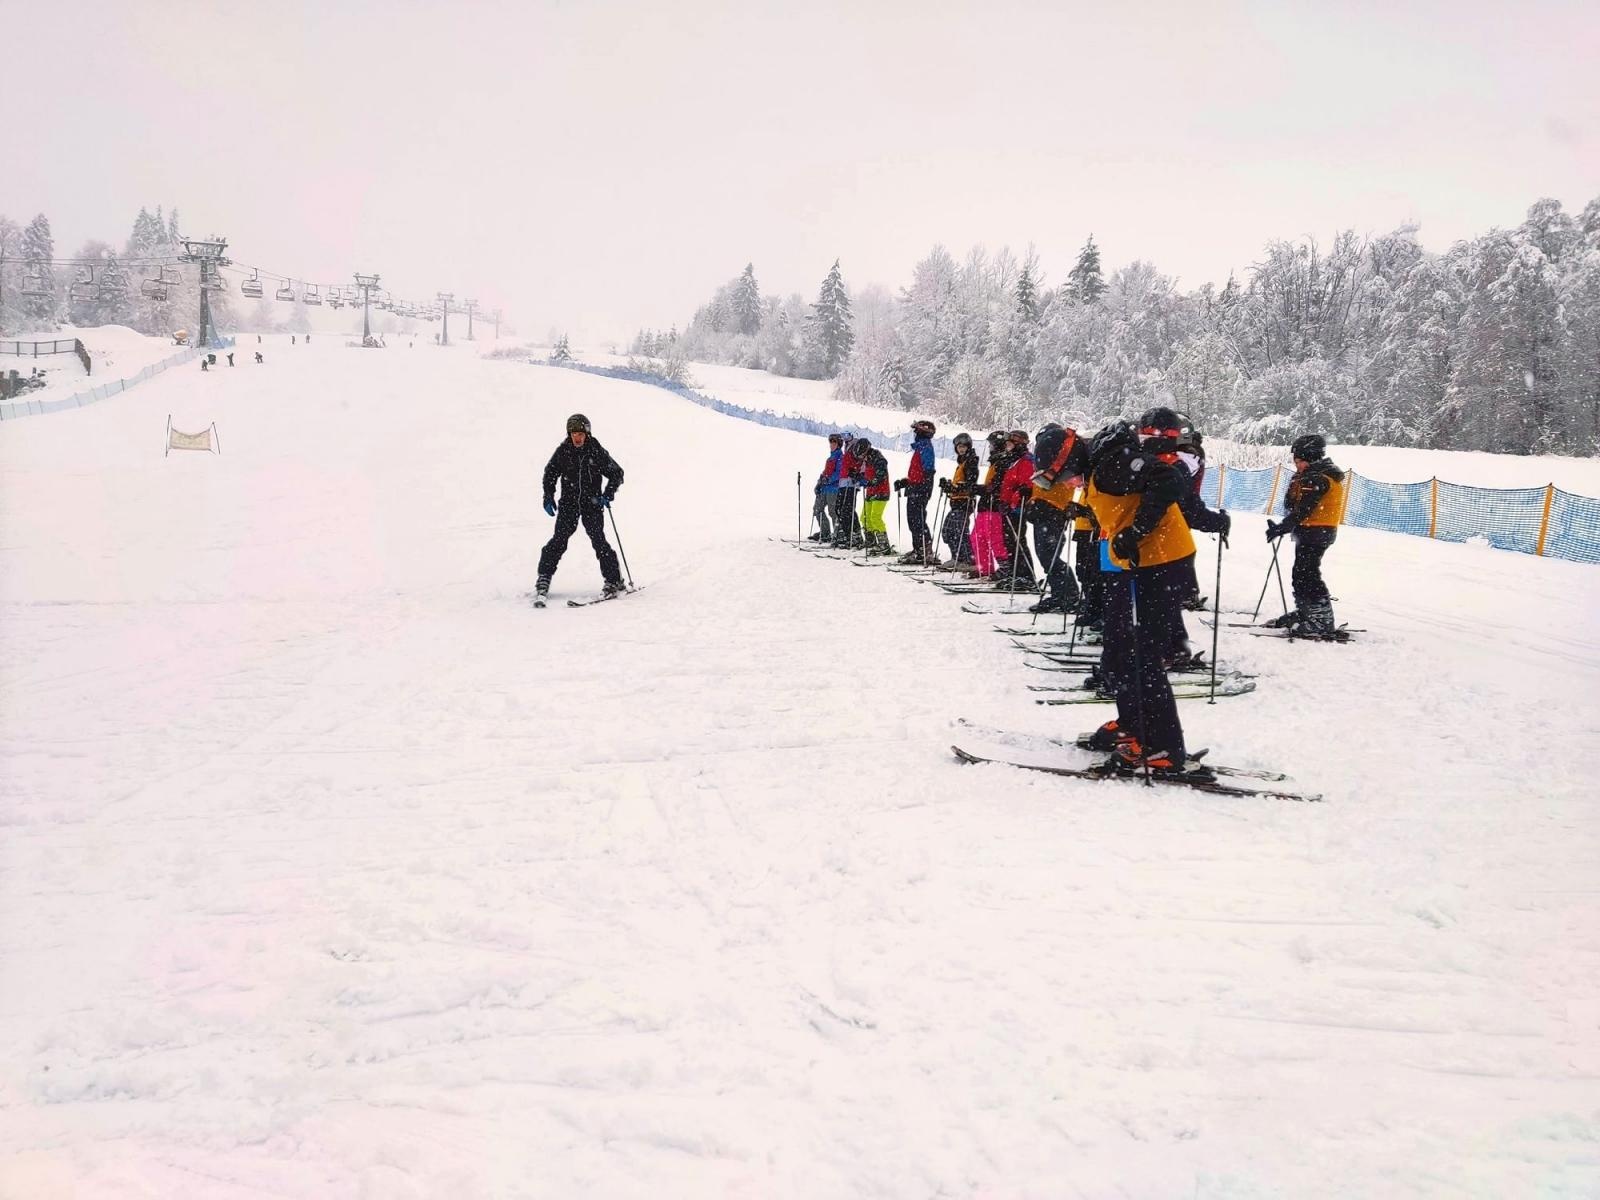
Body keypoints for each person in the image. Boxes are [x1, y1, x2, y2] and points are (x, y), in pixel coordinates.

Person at [1080, 412, 1209, 777]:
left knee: (1142, 657)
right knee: (1122, 649)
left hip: (1162, 562)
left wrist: (1135, 531)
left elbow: (1170, 484)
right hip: (1138, 563)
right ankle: (1134, 726)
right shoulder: (1101, 468)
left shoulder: (1115, 463)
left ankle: (1163, 746)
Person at [536, 413, 625, 602]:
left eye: (580, 433)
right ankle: (544, 577)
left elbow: (616, 473)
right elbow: (550, 472)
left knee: (599, 542)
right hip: (568, 505)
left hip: (592, 505)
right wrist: (548, 495)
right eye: (573, 433)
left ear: (587, 434)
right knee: (558, 540)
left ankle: (614, 581)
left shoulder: (595, 451)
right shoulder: (563, 451)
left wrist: (608, 494)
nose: (577, 437)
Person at [1266, 434, 1346, 636]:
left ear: (1310, 457)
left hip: (1317, 531)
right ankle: (1308, 612)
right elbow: (1296, 505)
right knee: (1301, 573)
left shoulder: (1319, 477)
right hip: (1314, 531)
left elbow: (1304, 509)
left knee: (1307, 574)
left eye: (1300, 461)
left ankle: (1321, 620)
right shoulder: (1317, 474)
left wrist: (1282, 527)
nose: (1297, 465)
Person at [1027, 423, 1089, 613]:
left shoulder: (1063, 463)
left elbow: (1062, 487)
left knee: (1049, 554)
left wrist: (1048, 506)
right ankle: (1059, 592)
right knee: (1044, 554)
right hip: (1044, 510)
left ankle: (1067, 593)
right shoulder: (1048, 463)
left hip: (1054, 511)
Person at [995, 430, 1037, 589]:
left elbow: (1025, 486)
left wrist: (1012, 502)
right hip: (1008, 507)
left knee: (1017, 541)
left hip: (1017, 508)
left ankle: (1026, 576)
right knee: (1010, 542)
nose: (1007, 447)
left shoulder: (1025, 461)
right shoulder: (1014, 460)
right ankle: (1015, 573)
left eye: (1010, 443)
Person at [893, 419, 938, 565]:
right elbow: (917, 472)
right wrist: (906, 481)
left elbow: (928, 470)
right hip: (915, 488)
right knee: (913, 520)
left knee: (918, 520)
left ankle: (925, 550)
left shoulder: (925, 447)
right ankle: (918, 548)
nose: (914, 434)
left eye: (916, 431)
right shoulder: (920, 448)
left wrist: (923, 486)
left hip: (920, 489)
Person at [971, 431, 1010, 576]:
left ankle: (1005, 567)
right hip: (985, 505)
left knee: (995, 539)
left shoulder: (1003, 462)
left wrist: (981, 489)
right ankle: (984, 567)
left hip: (994, 506)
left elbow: (996, 485)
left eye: (992, 445)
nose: (990, 447)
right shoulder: (995, 462)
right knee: (977, 537)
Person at [938, 432, 979, 567]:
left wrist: (955, 488)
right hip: (956, 502)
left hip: (965, 502)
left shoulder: (971, 461)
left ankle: (968, 560)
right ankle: (958, 557)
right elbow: (960, 483)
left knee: (959, 531)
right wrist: (949, 487)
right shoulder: (961, 462)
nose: (961, 449)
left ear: (968, 447)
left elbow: (970, 484)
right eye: (959, 446)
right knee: (948, 530)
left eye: (963, 446)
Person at [848, 438, 894, 555]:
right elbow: (868, 475)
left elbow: (881, 475)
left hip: (881, 492)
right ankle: (871, 540)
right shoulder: (868, 459)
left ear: (866, 450)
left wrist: (871, 482)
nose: (861, 457)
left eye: (861, 454)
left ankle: (884, 544)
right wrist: (858, 476)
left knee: (875, 517)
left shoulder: (879, 458)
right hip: (871, 492)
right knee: (864, 517)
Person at [831, 433, 863, 548]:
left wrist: (858, 475)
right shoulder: (847, 446)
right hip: (843, 482)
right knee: (839, 508)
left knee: (847, 510)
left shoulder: (856, 446)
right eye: (843, 436)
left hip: (851, 482)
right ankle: (847, 534)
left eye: (847, 435)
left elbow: (861, 462)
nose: (845, 438)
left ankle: (854, 535)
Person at [812, 433, 844, 543]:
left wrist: (828, 480)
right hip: (825, 488)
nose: (831, 444)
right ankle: (825, 533)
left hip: (834, 489)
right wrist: (819, 482)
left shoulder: (840, 457)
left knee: (833, 512)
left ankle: (838, 535)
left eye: (834, 442)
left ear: (839, 444)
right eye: (830, 441)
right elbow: (826, 472)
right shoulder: (831, 457)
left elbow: (839, 474)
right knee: (817, 509)